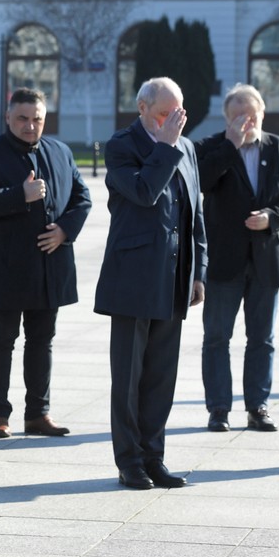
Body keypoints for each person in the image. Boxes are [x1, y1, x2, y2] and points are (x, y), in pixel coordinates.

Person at [95, 77, 205, 491]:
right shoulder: (122, 145)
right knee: (128, 378)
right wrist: (165, 146)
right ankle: (130, 462)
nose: (173, 122)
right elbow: (144, 192)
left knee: (161, 376)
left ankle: (153, 456)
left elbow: (196, 214)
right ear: (142, 108)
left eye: (178, 114)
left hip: (175, 276)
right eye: (164, 114)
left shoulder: (186, 147)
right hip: (133, 277)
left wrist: (199, 272)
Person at [0, 88, 91, 439]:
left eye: (37, 119)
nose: (30, 126)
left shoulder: (60, 151)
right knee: (2, 341)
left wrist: (65, 231)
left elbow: (82, 198)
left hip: (50, 266)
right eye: (23, 119)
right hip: (9, 266)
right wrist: (18, 196)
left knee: (42, 341)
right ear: (8, 117)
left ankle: (38, 413)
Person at [195, 84, 279, 432]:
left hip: (267, 258)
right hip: (225, 259)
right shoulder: (210, 148)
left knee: (262, 339)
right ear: (227, 118)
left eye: (252, 115)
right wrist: (230, 147)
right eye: (238, 116)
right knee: (216, 337)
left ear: (262, 114)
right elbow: (202, 182)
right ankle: (219, 408)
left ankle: (258, 406)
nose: (246, 121)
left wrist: (272, 217)